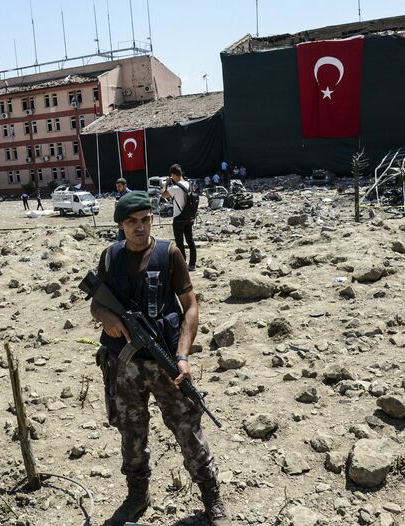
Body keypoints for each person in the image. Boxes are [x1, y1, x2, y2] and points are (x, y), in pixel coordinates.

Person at [90, 191, 230, 526]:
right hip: (123, 366)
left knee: (188, 429)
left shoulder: (169, 254)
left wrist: (182, 355)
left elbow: (191, 306)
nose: (140, 227)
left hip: (167, 361)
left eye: (145, 220)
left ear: (152, 219)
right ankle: (137, 496)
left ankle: (212, 499)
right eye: (131, 222)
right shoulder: (110, 257)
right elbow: (96, 302)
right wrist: (106, 319)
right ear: (121, 225)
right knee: (131, 432)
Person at [162, 164, 197, 271]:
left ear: (173, 175)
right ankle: (192, 264)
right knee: (190, 240)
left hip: (178, 218)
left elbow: (163, 195)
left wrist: (166, 184)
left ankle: (182, 264)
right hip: (189, 216)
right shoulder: (189, 184)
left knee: (180, 242)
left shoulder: (175, 188)